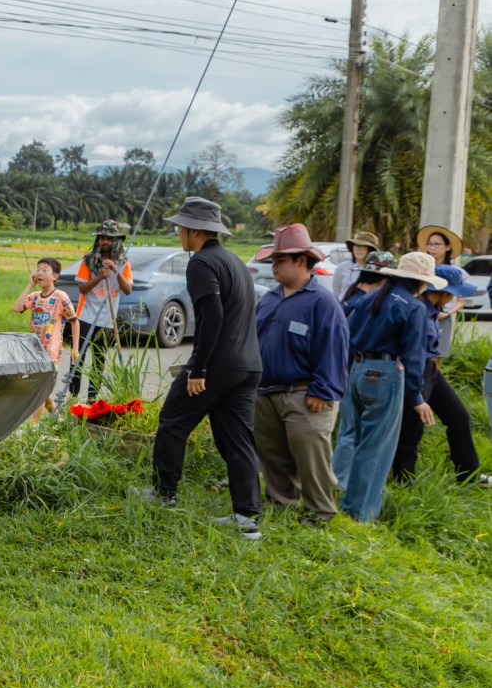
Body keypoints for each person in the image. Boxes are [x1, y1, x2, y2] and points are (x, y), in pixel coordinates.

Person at [147, 197, 263, 539]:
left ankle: (163, 494)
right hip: (248, 366)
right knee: (238, 438)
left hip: (218, 365)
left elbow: (212, 317)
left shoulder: (201, 263)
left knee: (172, 421)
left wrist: (198, 369)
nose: (178, 233)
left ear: (195, 231)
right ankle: (247, 519)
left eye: (180, 227)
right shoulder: (235, 261)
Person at [251, 225, 350, 525]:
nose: (274, 266)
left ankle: (321, 512)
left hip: (304, 394)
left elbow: (334, 348)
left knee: (311, 456)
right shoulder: (269, 298)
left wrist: (324, 390)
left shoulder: (322, 302)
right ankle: (282, 504)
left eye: (280, 260)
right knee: (273, 454)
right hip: (266, 392)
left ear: (302, 261)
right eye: (273, 260)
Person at [332, 252, 438, 522]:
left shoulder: (370, 296)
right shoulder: (414, 307)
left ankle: (345, 499)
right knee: (376, 448)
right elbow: (415, 355)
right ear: (421, 282)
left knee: (352, 437)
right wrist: (416, 396)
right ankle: (361, 514)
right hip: (385, 374)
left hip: (355, 371)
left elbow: (348, 335)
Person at [390, 263, 488, 486]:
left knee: (459, 416)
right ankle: (403, 481)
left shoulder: (433, 309)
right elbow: (411, 352)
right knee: (412, 426)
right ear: (441, 291)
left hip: (432, 370)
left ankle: (468, 475)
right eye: (452, 294)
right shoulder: (419, 310)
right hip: (416, 370)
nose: (454, 299)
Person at [70, 220, 133, 402]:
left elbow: (127, 289)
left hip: (106, 319)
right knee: (77, 358)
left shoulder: (123, 262)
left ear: (116, 241)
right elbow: (82, 288)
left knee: (99, 361)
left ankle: (92, 398)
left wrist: (115, 271)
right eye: (102, 238)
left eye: (109, 238)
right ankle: (73, 396)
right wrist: (100, 276)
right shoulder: (88, 260)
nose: (105, 242)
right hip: (86, 317)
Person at [13, 257, 79, 414]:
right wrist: (30, 285)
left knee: (39, 390)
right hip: (34, 350)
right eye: (38, 269)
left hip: (51, 352)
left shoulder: (60, 296)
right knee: (41, 389)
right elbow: (16, 308)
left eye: (45, 270)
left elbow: (74, 321)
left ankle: (34, 430)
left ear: (54, 276)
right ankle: (57, 418)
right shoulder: (34, 296)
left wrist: (75, 348)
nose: (40, 273)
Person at [333, 230, 379, 298]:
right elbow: (336, 291)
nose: (358, 249)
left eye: (362, 246)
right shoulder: (342, 267)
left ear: (370, 250)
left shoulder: (377, 271)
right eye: (355, 246)